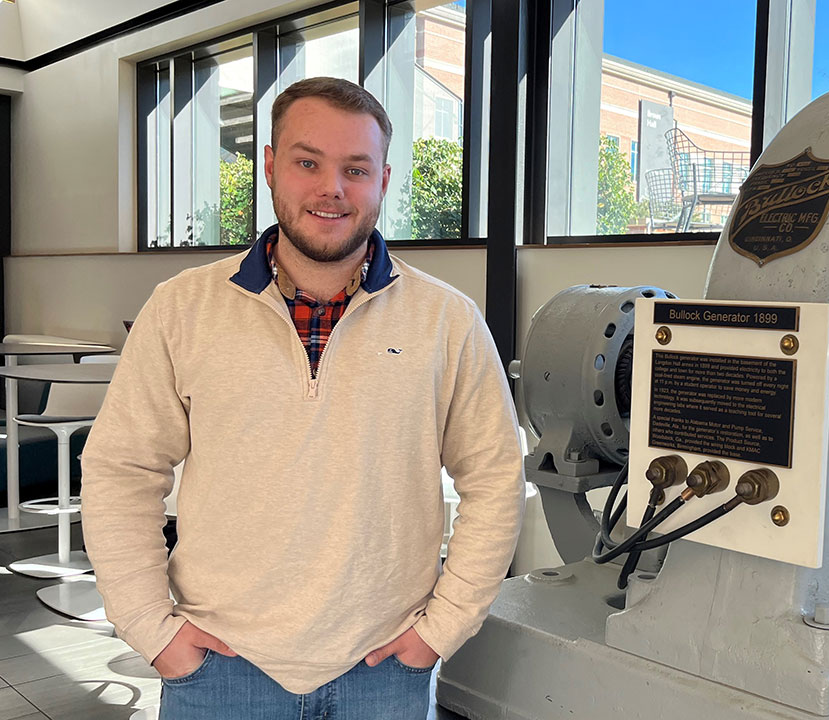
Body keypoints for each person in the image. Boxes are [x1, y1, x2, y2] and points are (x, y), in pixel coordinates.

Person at [80, 77, 526, 719]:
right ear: (269, 165)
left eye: (356, 168)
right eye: (307, 162)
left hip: (385, 675)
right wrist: (153, 629)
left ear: (383, 179)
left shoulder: (446, 321)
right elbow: (121, 470)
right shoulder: (183, 308)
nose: (331, 188)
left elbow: (494, 478)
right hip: (220, 671)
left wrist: (441, 630)